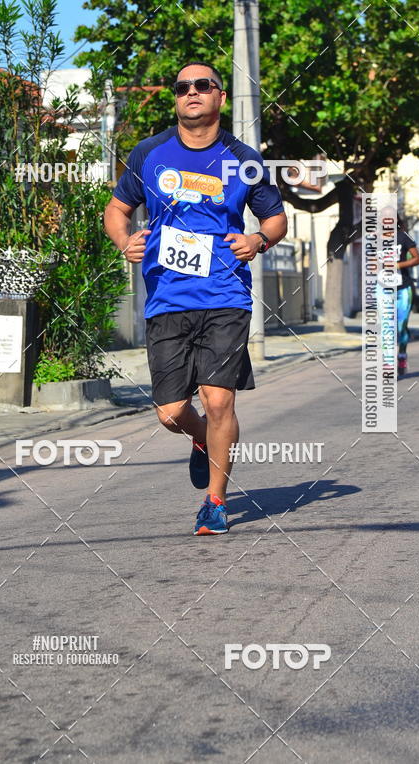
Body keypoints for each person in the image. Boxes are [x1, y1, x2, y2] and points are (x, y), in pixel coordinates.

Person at [104, 62, 287, 535]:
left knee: (219, 400)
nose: (191, 93)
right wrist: (125, 241)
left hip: (226, 295)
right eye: (183, 87)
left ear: (220, 98)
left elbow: (275, 220)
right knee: (170, 413)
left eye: (202, 85)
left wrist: (258, 242)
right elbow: (116, 210)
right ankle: (203, 441)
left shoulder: (242, 157)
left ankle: (216, 501)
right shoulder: (149, 153)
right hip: (167, 297)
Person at [395, 218, 419, 376]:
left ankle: (402, 355)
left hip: (403, 288)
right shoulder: (375, 239)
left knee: (401, 326)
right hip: (383, 289)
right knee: (386, 327)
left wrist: (398, 265)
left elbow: (418, 259)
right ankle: (387, 363)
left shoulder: (403, 237)